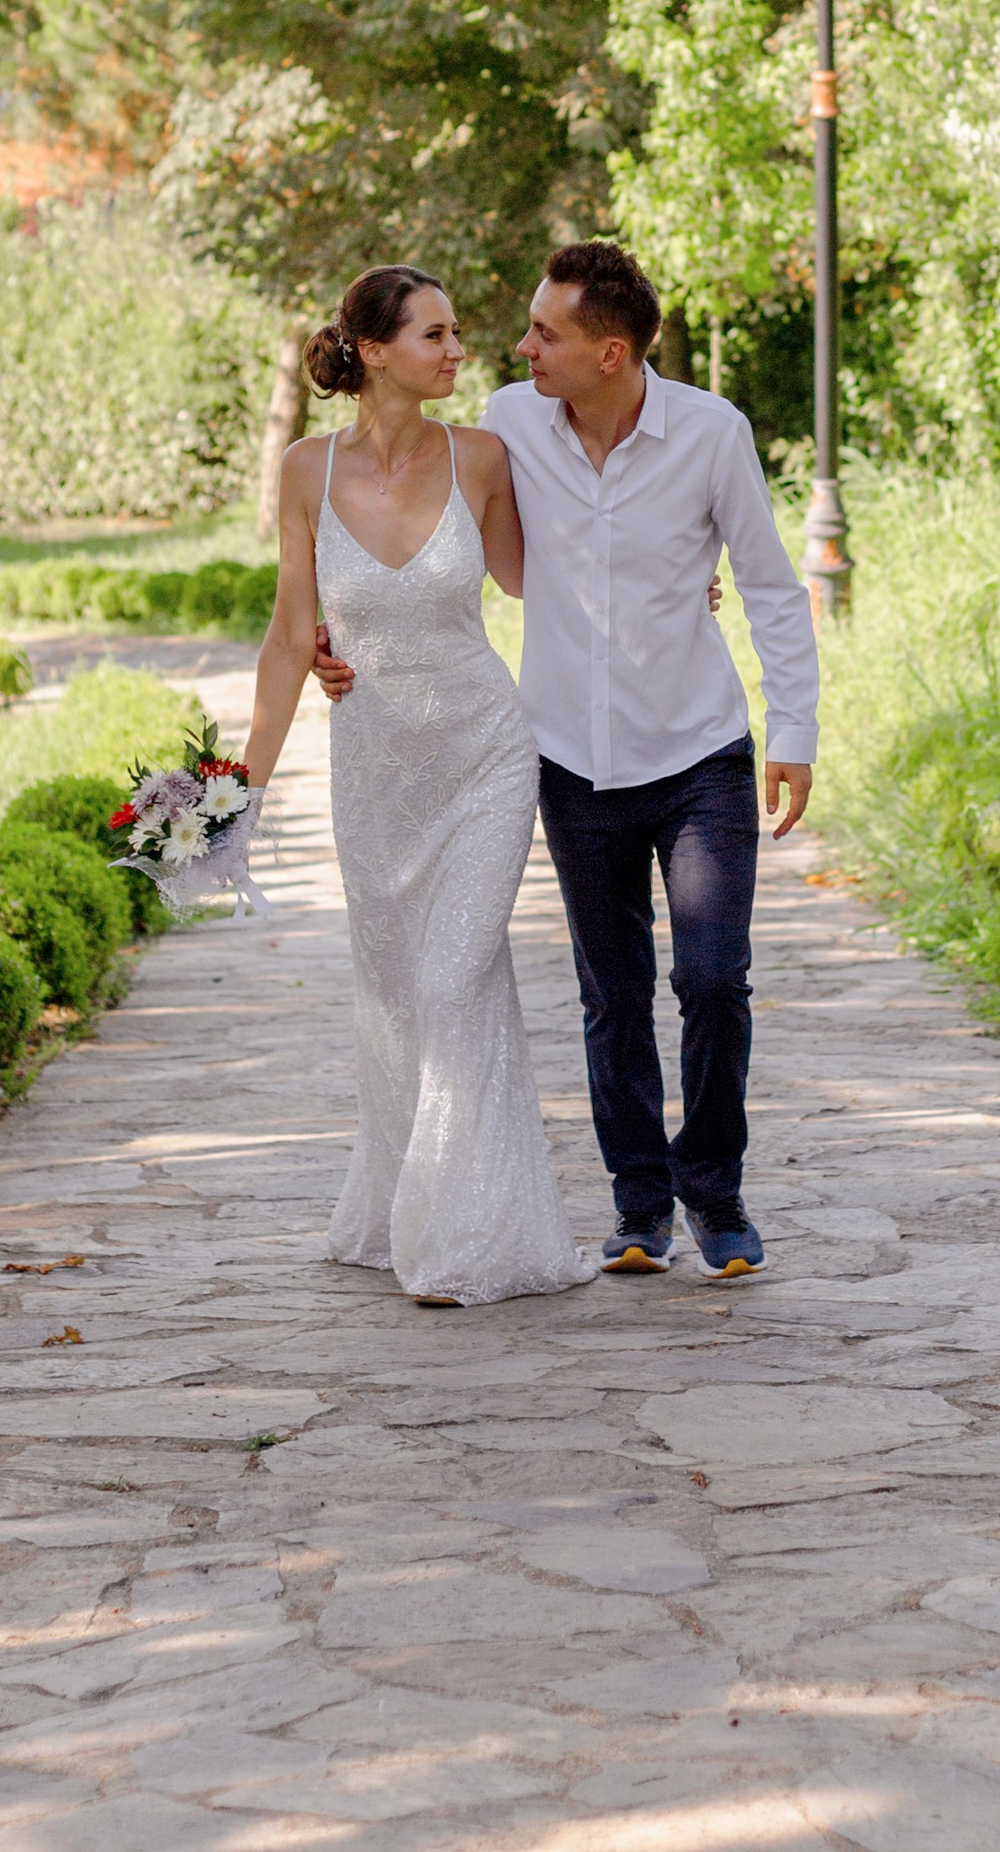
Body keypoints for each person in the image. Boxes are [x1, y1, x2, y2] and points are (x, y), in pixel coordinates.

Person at [321, 238, 818, 1281]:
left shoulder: (711, 435)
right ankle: (640, 1208)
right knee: (612, 990)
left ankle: (715, 1199)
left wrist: (794, 732)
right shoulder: (505, 425)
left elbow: (769, 585)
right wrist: (338, 637)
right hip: (568, 761)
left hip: (699, 753)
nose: (521, 345)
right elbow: (410, 500)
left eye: (546, 331)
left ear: (612, 352)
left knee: (715, 980)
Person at [238, 262, 592, 1308]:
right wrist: (235, 792)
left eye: (454, 333)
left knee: (452, 980)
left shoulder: (480, 456)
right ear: (375, 352)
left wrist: (668, 573)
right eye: (434, 336)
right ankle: (401, 1204)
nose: (456, 351)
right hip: (376, 769)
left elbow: (542, 578)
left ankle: (464, 1236)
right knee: (397, 994)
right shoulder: (305, 472)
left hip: (484, 754)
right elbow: (289, 635)